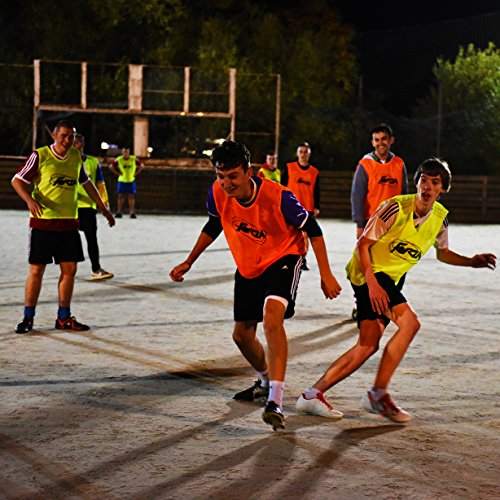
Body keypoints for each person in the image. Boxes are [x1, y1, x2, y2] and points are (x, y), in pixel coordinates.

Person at [296, 158, 496, 423]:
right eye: (423, 179)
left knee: (367, 345)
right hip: (369, 273)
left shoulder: (440, 218)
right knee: (410, 324)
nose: (427, 186)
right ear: (417, 182)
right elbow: (362, 245)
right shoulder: (394, 207)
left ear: (443, 189)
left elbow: (443, 253)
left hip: (390, 278)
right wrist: (372, 283)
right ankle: (377, 395)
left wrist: (471, 261)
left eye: (435, 182)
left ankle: (311, 396)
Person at [169, 140, 342, 431]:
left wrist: (326, 274)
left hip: (284, 256)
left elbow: (312, 228)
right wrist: (189, 261)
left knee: (272, 318)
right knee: (241, 336)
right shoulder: (217, 192)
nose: (226, 183)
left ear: (250, 172)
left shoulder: (279, 196)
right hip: (249, 263)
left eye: (233, 176)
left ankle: (275, 399)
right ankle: (264, 381)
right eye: (220, 176)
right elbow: (214, 224)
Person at [11, 120, 115, 334]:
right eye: (64, 136)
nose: (68, 140)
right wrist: (29, 201)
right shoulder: (40, 155)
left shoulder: (76, 158)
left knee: (70, 270)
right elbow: (17, 180)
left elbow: (87, 183)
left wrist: (103, 208)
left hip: (69, 224)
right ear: (55, 135)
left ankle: (63, 317)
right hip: (43, 223)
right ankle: (28, 317)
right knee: (37, 270)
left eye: (71, 137)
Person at [350, 123, 408, 319]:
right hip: (371, 223)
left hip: (394, 224)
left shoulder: (399, 164)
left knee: (392, 262)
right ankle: (362, 303)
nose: (380, 143)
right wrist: (359, 224)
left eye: (383, 139)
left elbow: (405, 194)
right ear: (372, 142)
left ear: (391, 140)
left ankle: (387, 299)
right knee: (367, 264)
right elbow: (357, 196)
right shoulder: (365, 164)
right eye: (376, 140)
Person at [73, 133, 114, 281]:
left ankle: (96, 269)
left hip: (87, 207)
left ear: (82, 144)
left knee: (91, 239)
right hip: (69, 207)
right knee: (69, 239)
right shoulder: (64, 161)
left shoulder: (92, 162)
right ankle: (68, 268)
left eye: (76, 143)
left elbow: (100, 185)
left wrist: (105, 205)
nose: (73, 145)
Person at [281, 142, 320, 270]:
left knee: (304, 236)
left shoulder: (314, 172)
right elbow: (281, 187)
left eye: (305, 151)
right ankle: (286, 258)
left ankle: (302, 259)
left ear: (309, 154)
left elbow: (317, 190)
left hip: (306, 207)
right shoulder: (290, 168)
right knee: (288, 234)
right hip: (290, 206)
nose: (303, 154)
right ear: (297, 153)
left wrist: (317, 206)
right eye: (301, 151)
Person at [109, 147, 145, 218]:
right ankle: (119, 212)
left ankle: (132, 212)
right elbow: (111, 166)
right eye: (124, 152)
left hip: (131, 180)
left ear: (129, 152)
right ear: (122, 152)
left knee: (131, 196)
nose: (125, 153)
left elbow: (142, 166)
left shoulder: (133, 159)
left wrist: (136, 173)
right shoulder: (119, 159)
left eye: (127, 152)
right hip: (122, 180)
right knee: (120, 196)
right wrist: (117, 173)